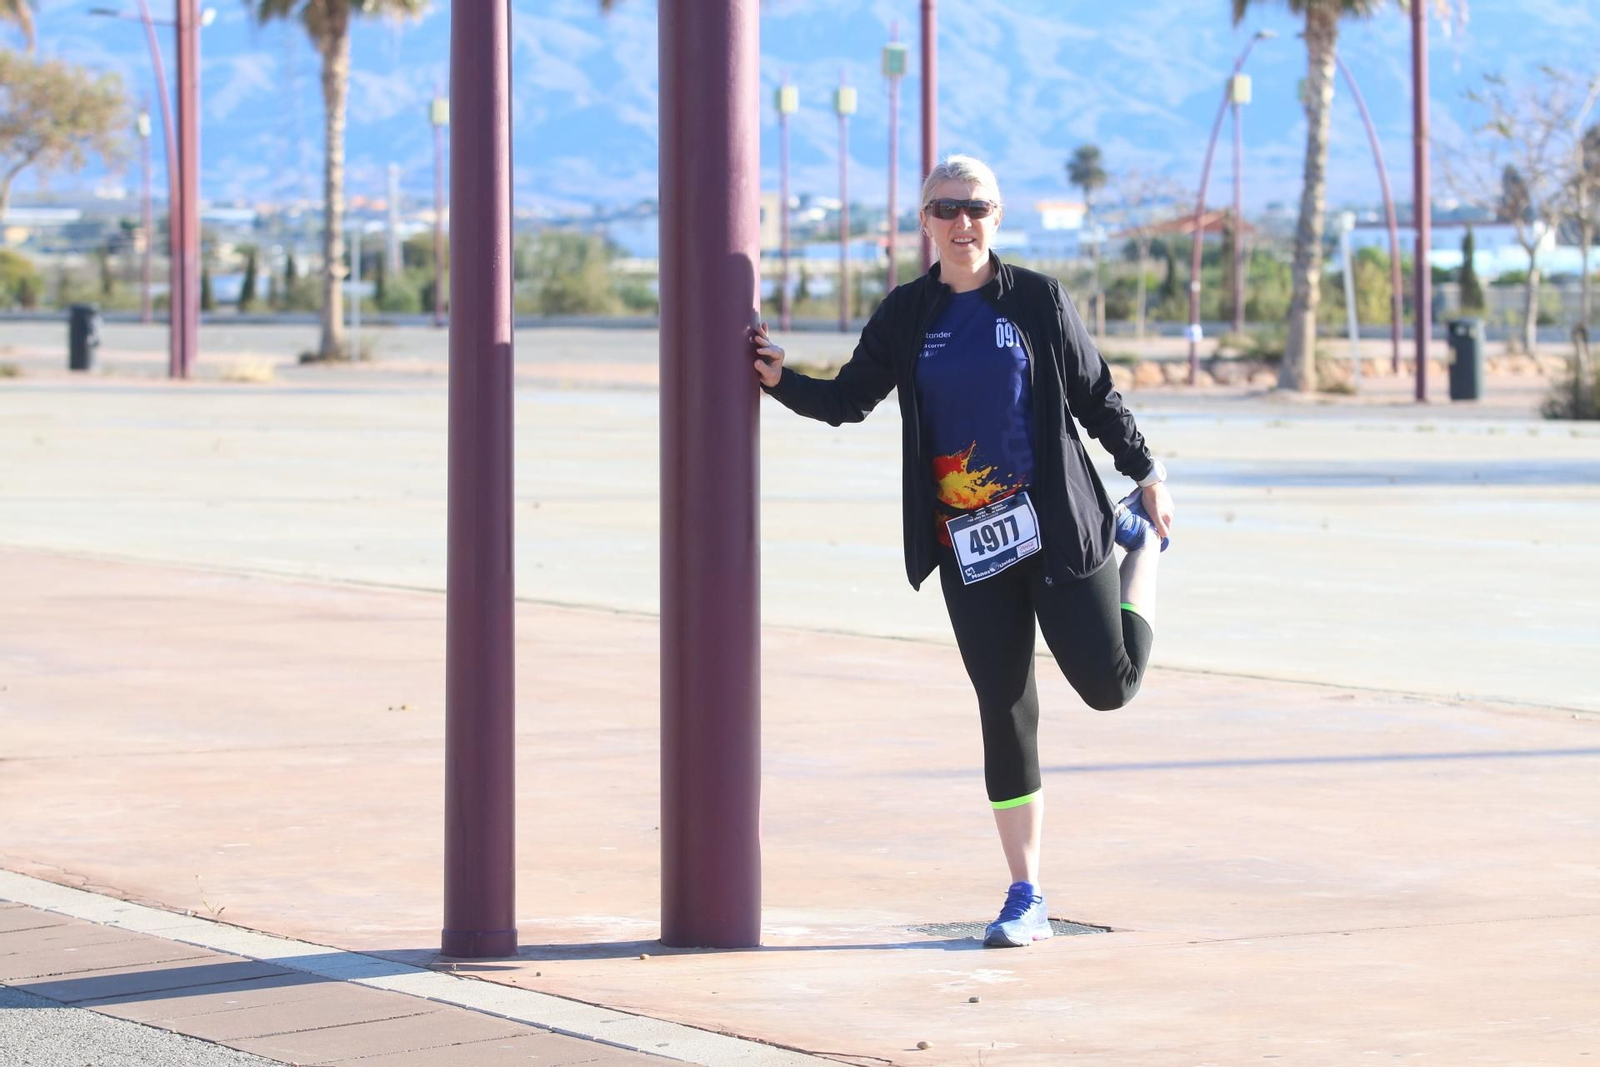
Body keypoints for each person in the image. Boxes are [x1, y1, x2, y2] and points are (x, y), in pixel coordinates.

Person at [751, 154, 1175, 948]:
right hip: (970, 548)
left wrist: (1147, 474)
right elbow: (850, 398)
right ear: (924, 221)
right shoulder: (908, 313)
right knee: (1005, 709)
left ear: (997, 216)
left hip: (1058, 529)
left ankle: (1142, 548)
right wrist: (782, 381)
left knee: (1110, 686)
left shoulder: (1039, 301)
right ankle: (1026, 891)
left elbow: (1095, 396)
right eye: (945, 207)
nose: (961, 221)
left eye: (976, 206)